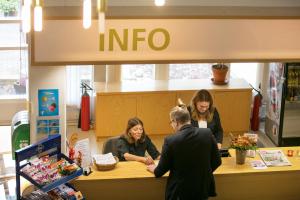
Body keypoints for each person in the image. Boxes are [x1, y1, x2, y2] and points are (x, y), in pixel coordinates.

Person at [147, 106, 221, 200]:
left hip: (179, 192)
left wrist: (153, 168)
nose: (171, 125)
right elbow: (217, 161)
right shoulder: (207, 133)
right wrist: (202, 174)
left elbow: (160, 171)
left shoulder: (170, 140)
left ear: (176, 122)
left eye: (171, 122)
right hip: (202, 189)